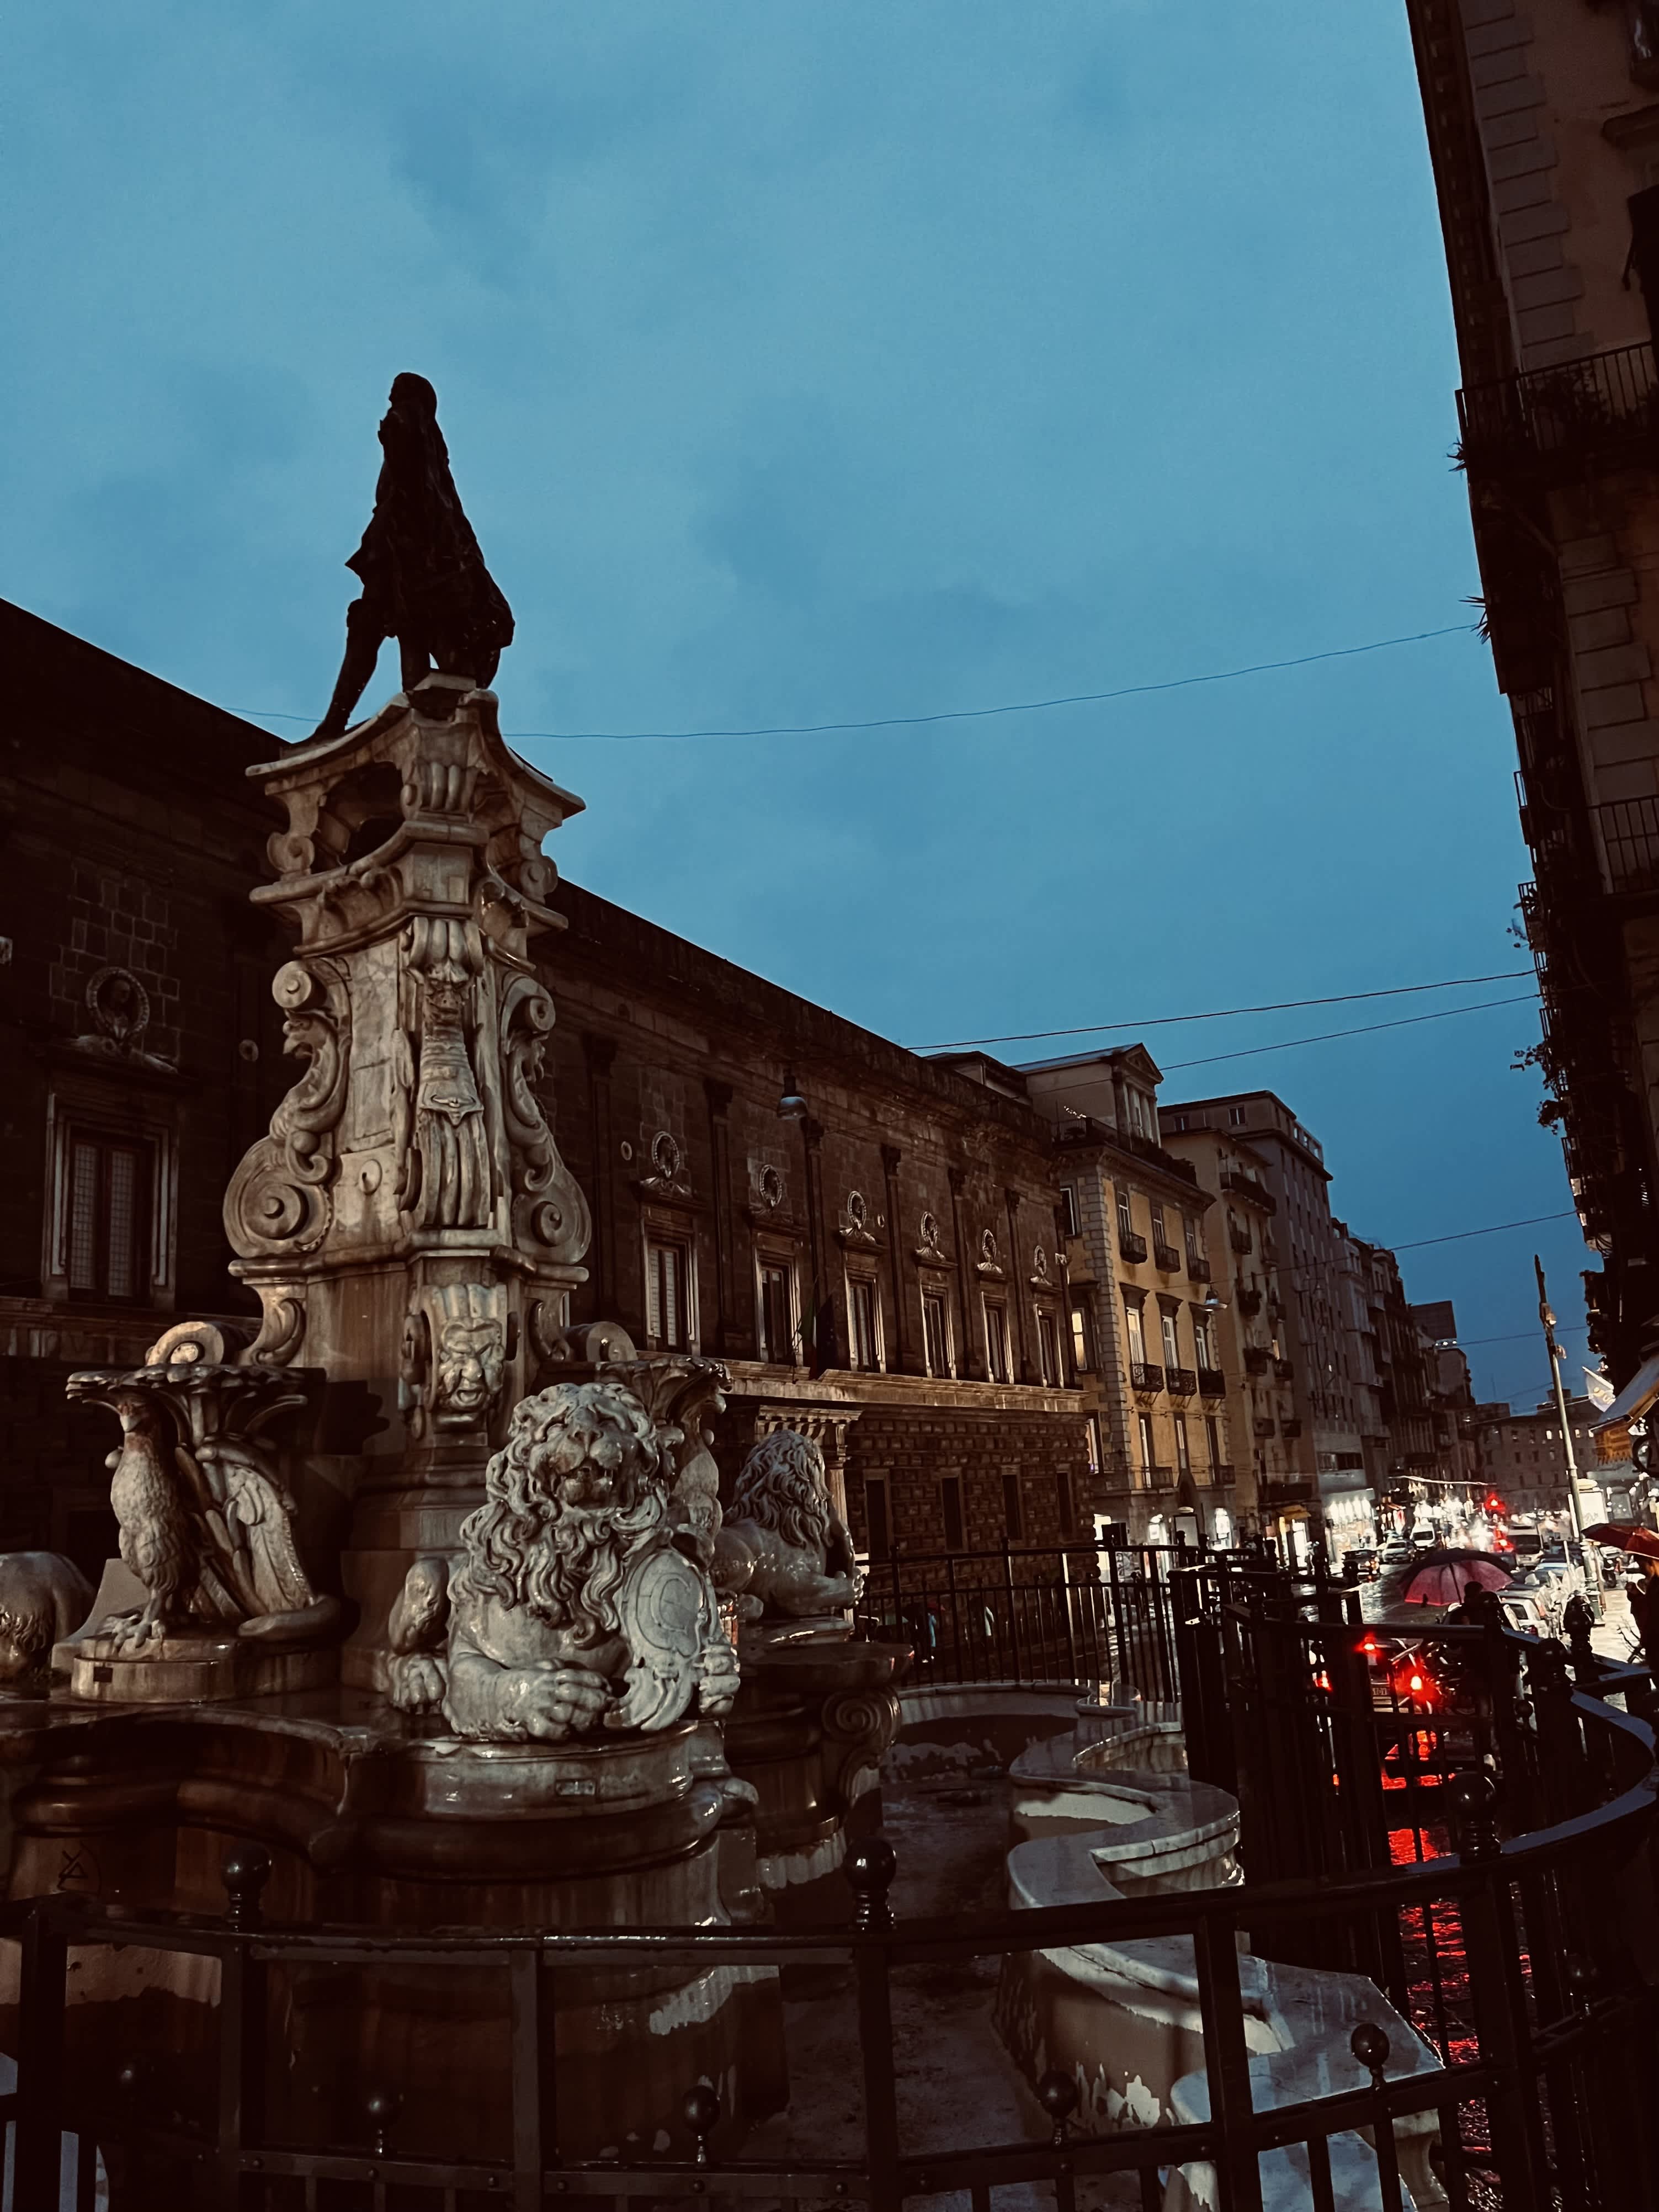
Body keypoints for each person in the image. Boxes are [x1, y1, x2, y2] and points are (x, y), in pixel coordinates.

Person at [312, 374, 515, 741]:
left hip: (404, 542)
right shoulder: (430, 454)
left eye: (400, 394)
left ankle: (341, 722)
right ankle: (358, 719)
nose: (392, 402)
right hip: (398, 540)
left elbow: (422, 492)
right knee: (389, 624)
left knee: (385, 625)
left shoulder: (412, 428)